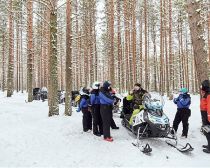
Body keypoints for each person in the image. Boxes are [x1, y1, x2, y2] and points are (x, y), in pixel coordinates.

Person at [200, 80, 210, 154]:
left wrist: (209, 116)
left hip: (207, 115)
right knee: (206, 130)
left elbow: (209, 106)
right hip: (204, 114)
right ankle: (209, 144)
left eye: (202, 85)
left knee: (208, 131)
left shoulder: (208, 94)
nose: (201, 87)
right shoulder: (206, 93)